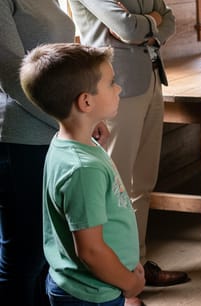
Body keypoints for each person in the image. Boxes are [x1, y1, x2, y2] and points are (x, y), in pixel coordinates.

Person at [66, 0, 187, 303]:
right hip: (111, 89)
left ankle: (137, 266)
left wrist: (147, 23)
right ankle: (118, 282)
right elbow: (125, 27)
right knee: (114, 187)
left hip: (150, 80)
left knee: (142, 183)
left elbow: (168, 19)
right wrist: (147, 22)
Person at [0, 0, 76, 306]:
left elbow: (60, 50)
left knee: (51, 252)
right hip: (19, 138)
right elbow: (12, 72)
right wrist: (70, 119)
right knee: (24, 256)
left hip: (55, 130)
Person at [20, 43, 145, 306]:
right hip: (92, 293)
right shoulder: (82, 169)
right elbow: (91, 251)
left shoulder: (66, 142)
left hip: (87, 285)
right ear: (86, 101)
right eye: (111, 83)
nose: (119, 88)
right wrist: (129, 283)